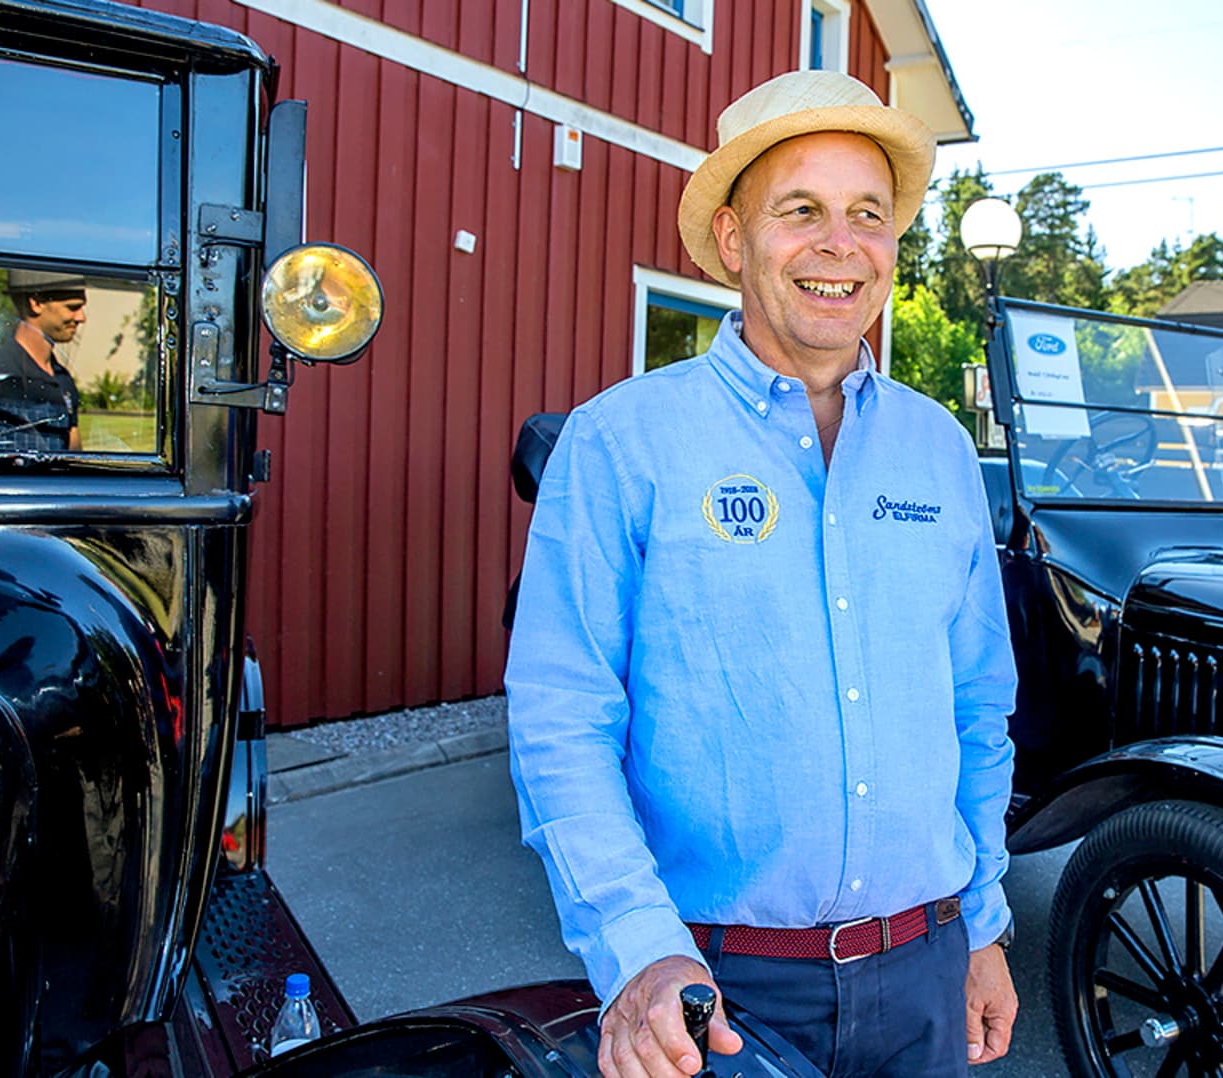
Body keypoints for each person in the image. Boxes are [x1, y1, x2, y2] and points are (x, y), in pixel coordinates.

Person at [505, 70, 1020, 1078]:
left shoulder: (942, 450)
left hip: (925, 976)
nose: (840, 244)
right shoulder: (622, 441)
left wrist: (986, 923)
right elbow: (562, 714)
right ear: (737, 242)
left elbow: (976, 708)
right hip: (718, 994)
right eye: (803, 212)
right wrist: (640, 949)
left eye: (867, 215)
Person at [0, 268, 86, 451]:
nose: (81, 317)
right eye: (72, 307)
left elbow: (73, 455)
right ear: (36, 303)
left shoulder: (62, 379)